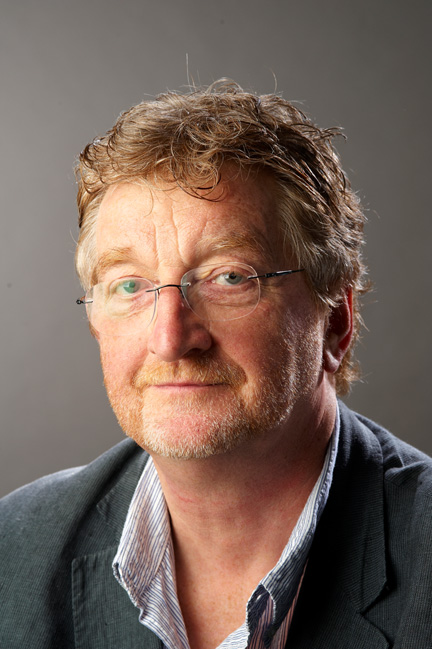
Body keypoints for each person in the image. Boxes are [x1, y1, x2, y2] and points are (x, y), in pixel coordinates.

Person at [1, 81, 431, 649]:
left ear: (335, 321)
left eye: (229, 277)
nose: (170, 339)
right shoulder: (15, 549)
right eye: (130, 284)